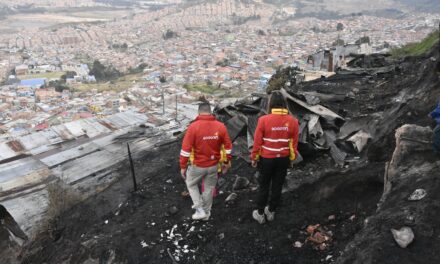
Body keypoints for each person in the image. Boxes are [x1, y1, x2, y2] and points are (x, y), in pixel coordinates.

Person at [250, 91, 299, 224]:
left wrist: (254, 158)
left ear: (270, 103)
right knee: (277, 185)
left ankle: (260, 213)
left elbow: (257, 142)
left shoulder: (263, 120)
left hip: (266, 159)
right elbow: (293, 144)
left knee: (264, 185)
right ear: (284, 103)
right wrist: (291, 159)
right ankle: (271, 211)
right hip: (283, 159)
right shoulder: (293, 121)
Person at [180, 102, 232, 220]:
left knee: (191, 184)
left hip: (198, 165)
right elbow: (228, 147)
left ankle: (199, 210)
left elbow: (185, 150)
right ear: (210, 111)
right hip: (214, 165)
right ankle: (207, 213)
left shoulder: (193, 127)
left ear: (199, 112)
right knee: (208, 189)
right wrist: (226, 162)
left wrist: (183, 166)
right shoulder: (221, 126)